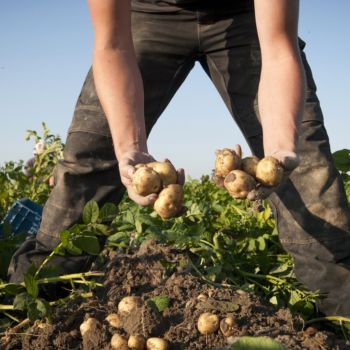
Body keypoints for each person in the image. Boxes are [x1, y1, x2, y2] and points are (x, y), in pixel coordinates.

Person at [8, 0, 350, 317]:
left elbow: (278, 48)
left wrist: (280, 147)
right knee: (89, 161)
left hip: (245, 15)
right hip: (147, 13)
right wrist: (130, 148)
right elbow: (112, 45)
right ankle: (30, 307)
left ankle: (337, 315)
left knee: (308, 168)